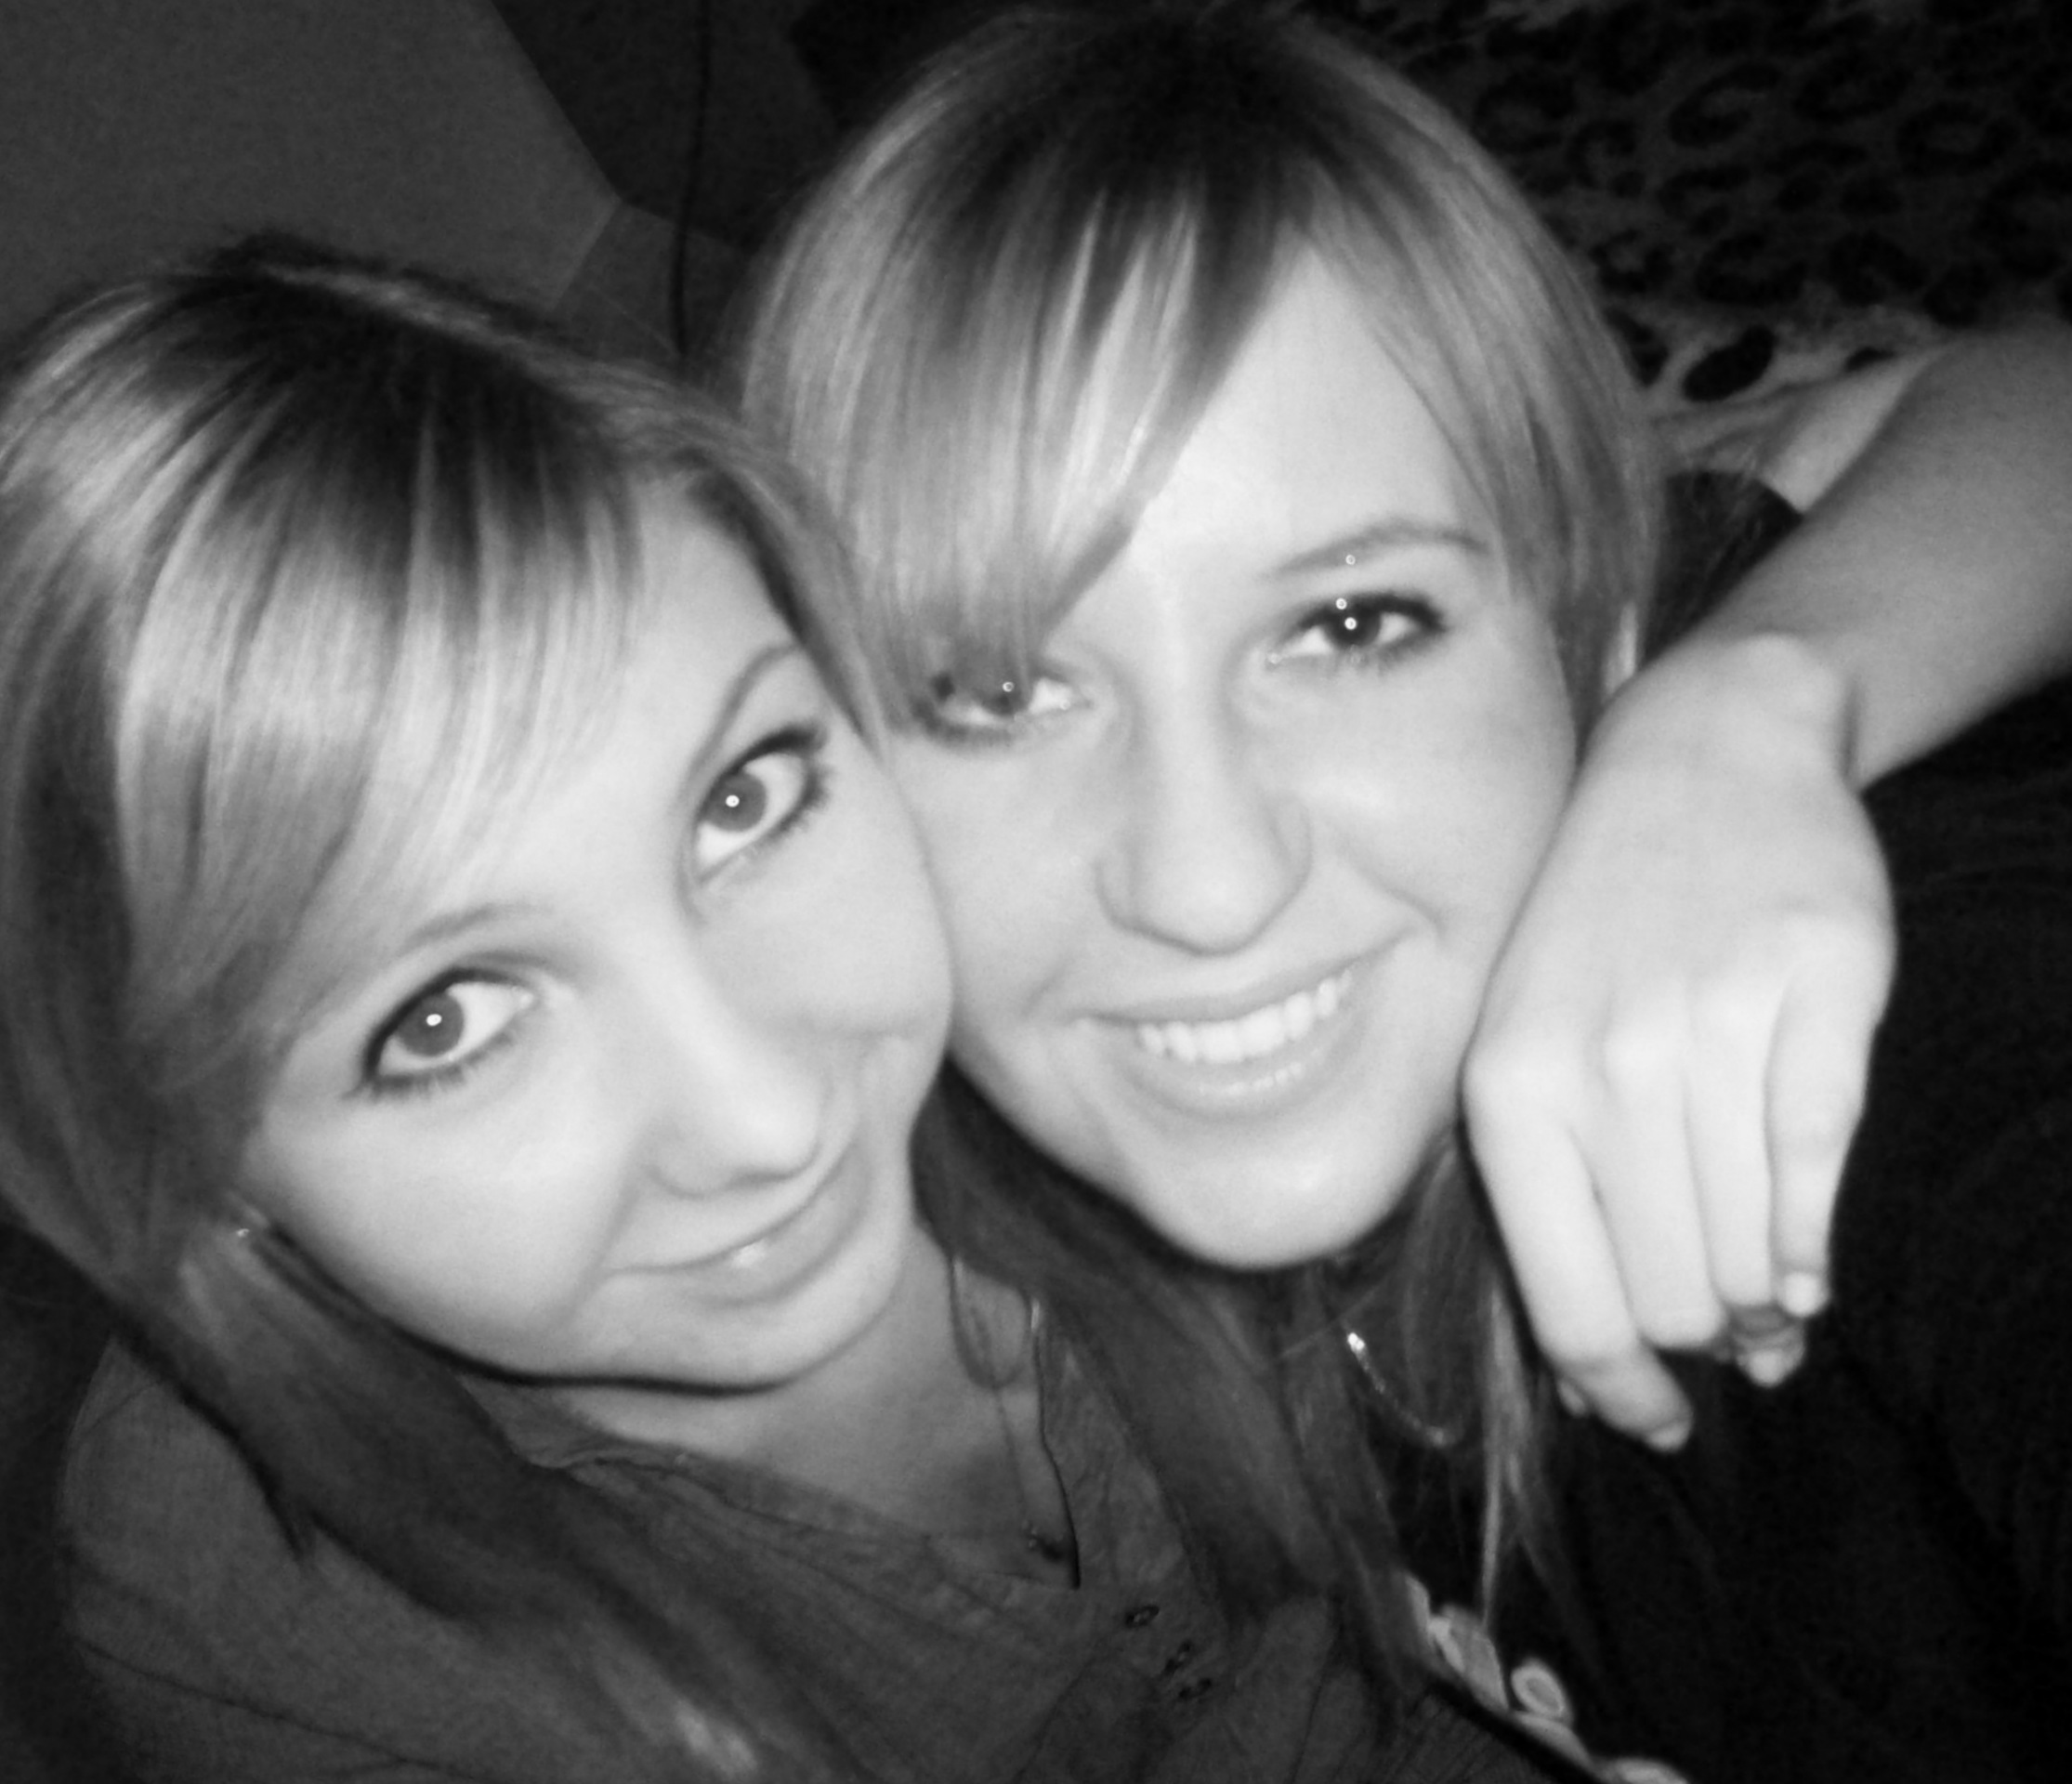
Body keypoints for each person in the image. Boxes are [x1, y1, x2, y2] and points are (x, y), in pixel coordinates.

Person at [731, 5, 2072, 1778]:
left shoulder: (1871, 1035)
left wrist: (1755, 707)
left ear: (1594, 634)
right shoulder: (890, 1190)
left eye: (1349, 625)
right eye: (995, 690)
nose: (1206, 883)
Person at [5, 239, 1561, 1784]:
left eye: (743, 802)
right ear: (183, 1164)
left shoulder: (1122, 957)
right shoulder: (258, 1641)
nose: (767, 1117)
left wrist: (1707, 736)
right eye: (444, 1023)